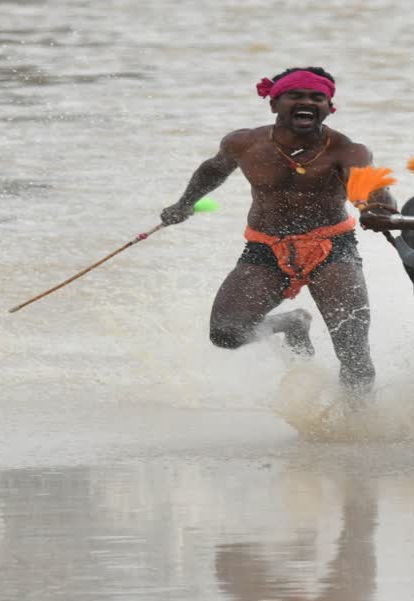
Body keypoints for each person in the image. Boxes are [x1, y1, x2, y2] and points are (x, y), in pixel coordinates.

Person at [161, 67, 394, 397]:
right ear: (274, 104)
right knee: (226, 333)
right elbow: (212, 170)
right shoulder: (243, 143)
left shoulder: (348, 151)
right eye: (295, 96)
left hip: (332, 249)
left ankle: (354, 431)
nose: (306, 103)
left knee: (354, 356)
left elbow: (374, 192)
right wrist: (184, 204)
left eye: (317, 98)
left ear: (329, 108)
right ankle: (290, 323)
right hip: (265, 249)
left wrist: (377, 208)